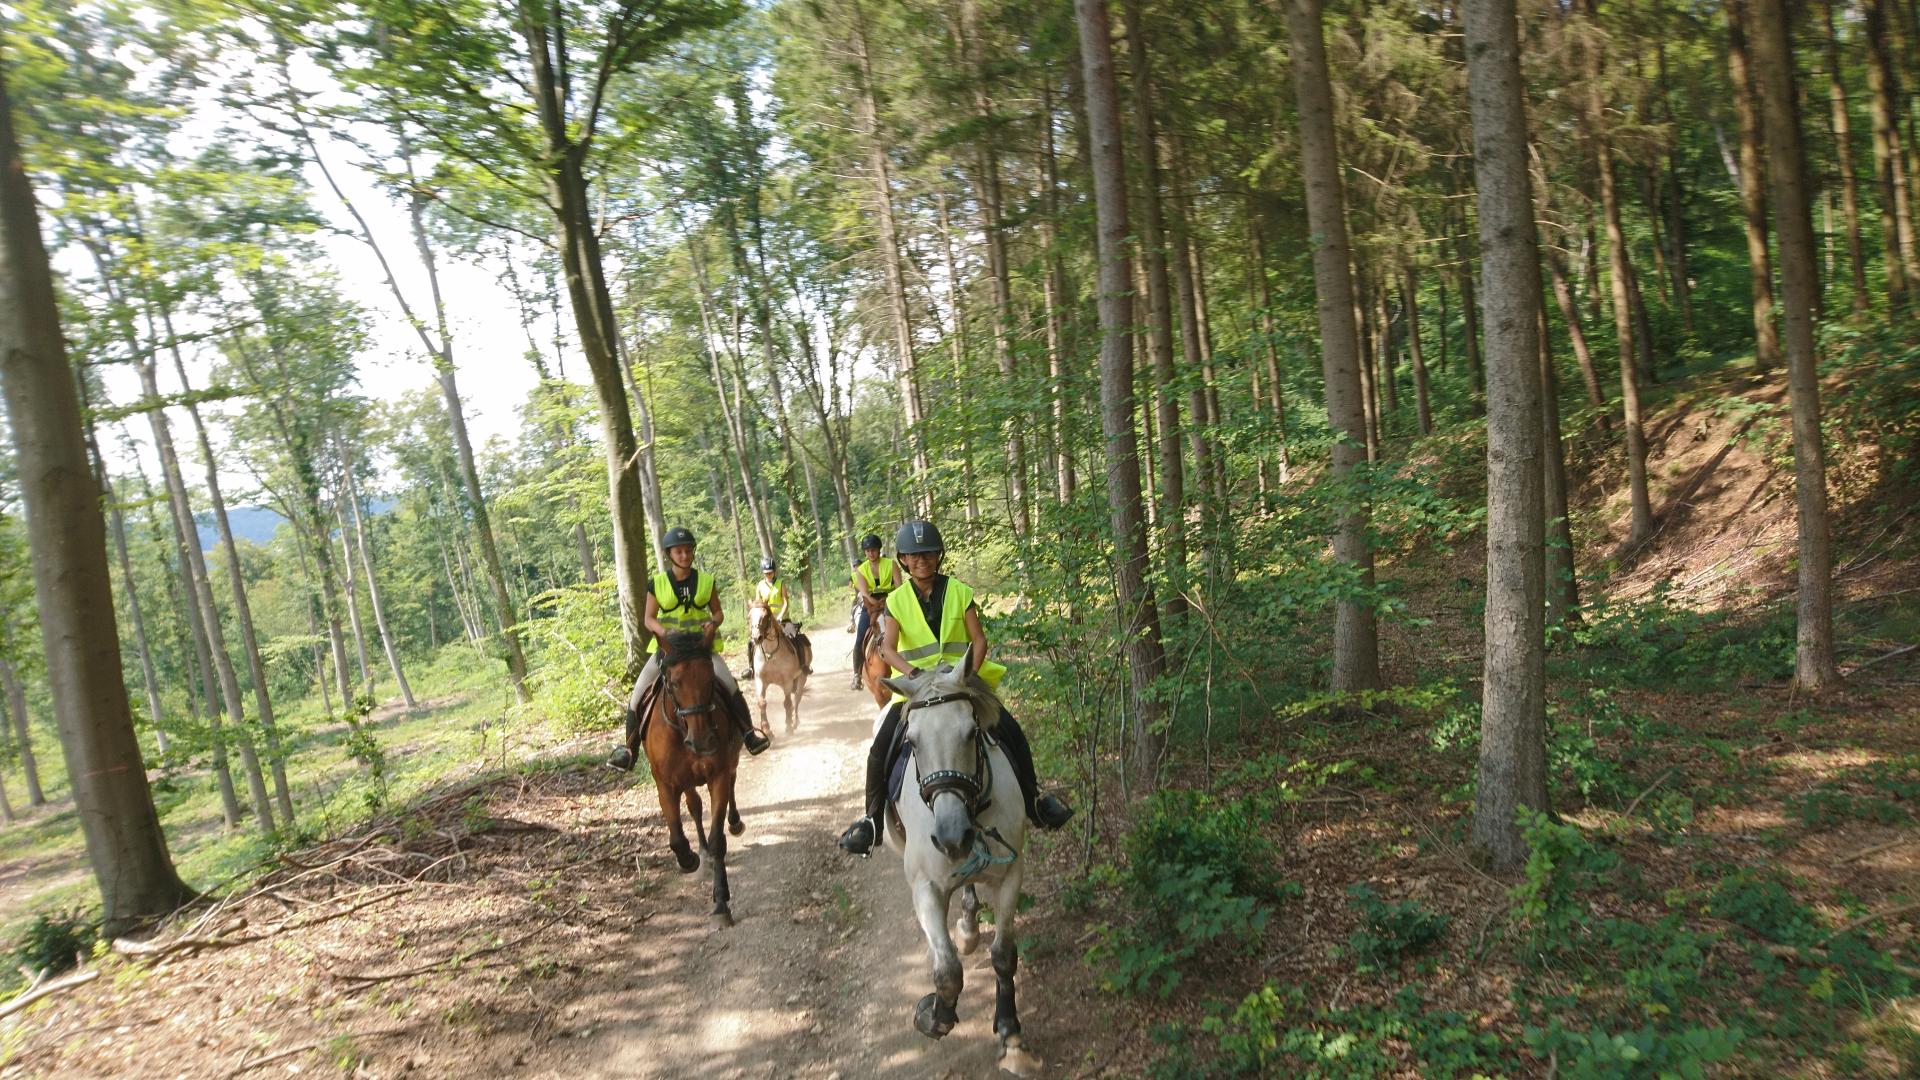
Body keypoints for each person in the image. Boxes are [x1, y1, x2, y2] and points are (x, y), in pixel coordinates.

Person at [836, 519, 1073, 856]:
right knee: (882, 745)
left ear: (939, 555)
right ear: (902, 559)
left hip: (961, 683)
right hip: (917, 689)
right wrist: (914, 674)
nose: (922, 560)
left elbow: (978, 640)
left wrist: (968, 678)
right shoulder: (898, 600)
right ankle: (872, 821)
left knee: (1011, 730)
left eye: (929, 553)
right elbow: (887, 648)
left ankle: (1035, 802)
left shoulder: (960, 591)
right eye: (914, 555)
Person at [607, 525, 769, 770]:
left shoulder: (706, 581)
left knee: (730, 685)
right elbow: (648, 618)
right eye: (679, 552)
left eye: (688, 551)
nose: (684, 556)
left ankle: (749, 734)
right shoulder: (657, 583)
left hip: (701, 649)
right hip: (668, 651)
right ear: (670, 555)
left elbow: (718, 612)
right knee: (638, 693)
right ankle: (629, 750)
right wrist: (664, 632)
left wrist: (713, 624)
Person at [749, 556, 812, 676]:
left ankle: (803, 665)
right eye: (766, 573)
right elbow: (758, 604)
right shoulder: (760, 586)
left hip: (782, 619)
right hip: (765, 621)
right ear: (763, 573)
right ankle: (751, 668)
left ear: (774, 572)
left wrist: (780, 616)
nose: (768, 575)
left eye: (770, 573)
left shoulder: (780, 583)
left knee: (794, 636)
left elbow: (786, 603)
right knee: (752, 641)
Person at [849, 533, 896, 691]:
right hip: (870, 605)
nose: (871, 553)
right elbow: (865, 593)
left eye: (873, 550)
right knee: (861, 636)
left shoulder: (891, 564)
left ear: (879, 550)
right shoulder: (861, 570)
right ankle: (857, 674)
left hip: (892, 601)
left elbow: (899, 586)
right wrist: (875, 603)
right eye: (868, 551)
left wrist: (888, 602)